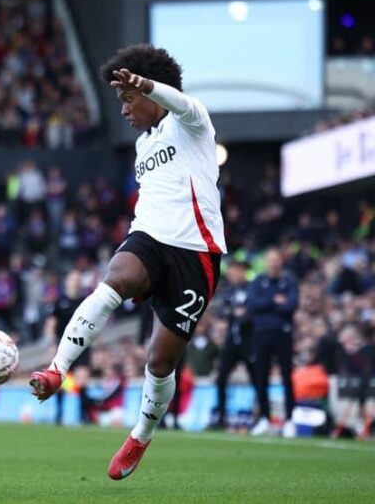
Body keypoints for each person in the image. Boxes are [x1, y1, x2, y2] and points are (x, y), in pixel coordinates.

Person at [29, 44, 226, 481]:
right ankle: (57, 369)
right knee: (117, 277)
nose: (124, 109)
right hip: (150, 238)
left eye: (127, 99)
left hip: (196, 254)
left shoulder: (193, 124)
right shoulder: (142, 147)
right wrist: (137, 90)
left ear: (151, 93)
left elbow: (181, 101)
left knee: (160, 362)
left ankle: (140, 435)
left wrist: (147, 85)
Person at [247, 248, 298, 437]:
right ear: (266, 262)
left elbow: (291, 305)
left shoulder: (289, 281)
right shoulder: (258, 281)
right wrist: (275, 300)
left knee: (287, 376)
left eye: (277, 259)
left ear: (281, 261)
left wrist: (267, 303)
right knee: (261, 377)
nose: (274, 263)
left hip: (283, 334)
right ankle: (265, 419)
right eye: (271, 260)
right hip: (261, 334)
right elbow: (252, 305)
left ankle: (290, 419)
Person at [213, 260, 254, 428]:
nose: (232, 275)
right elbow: (223, 311)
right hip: (231, 342)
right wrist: (235, 313)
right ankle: (221, 417)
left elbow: (249, 315)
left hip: (249, 342)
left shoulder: (251, 289)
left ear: (242, 271)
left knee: (257, 379)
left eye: (235, 271)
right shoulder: (229, 291)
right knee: (221, 379)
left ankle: (259, 416)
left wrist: (234, 313)